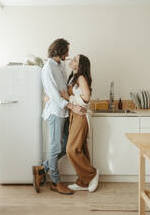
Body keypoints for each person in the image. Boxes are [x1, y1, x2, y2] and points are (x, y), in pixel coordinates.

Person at [32, 38, 84, 195]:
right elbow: (54, 95)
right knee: (55, 147)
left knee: (66, 146)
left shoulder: (60, 65)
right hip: (55, 112)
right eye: (66, 51)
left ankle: (42, 168)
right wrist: (72, 105)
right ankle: (55, 182)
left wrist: (71, 101)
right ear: (59, 51)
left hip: (64, 111)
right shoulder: (47, 68)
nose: (68, 54)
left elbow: (63, 89)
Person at [60, 54, 99, 192]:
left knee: (71, 149)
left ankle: (92, 174)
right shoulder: (73, 77)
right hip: (73, 116)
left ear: (80, 65)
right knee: (80, 149)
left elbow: (86, 98)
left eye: (75, 60)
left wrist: (69, 98)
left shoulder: (81, 77)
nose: (72, 61)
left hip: (80, 117)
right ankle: (83, 182)